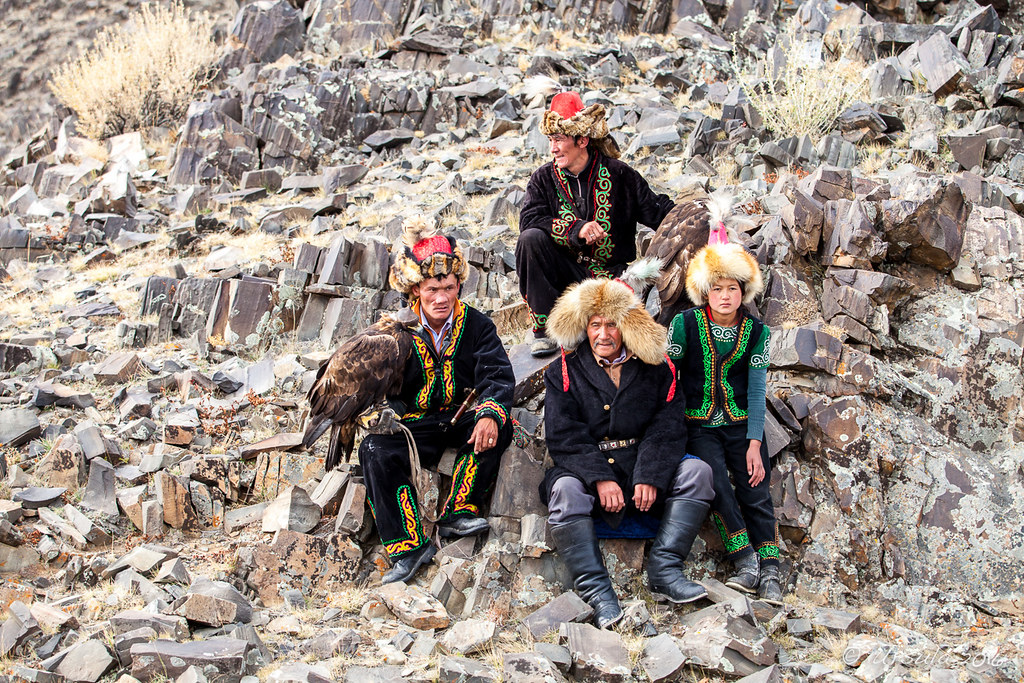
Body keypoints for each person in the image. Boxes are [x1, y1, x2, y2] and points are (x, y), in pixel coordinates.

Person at [539, 264, 715, 628]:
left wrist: (649, 474)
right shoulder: (563, 371)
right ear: (585, 327)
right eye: (595, 325)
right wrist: (601, 479)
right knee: (565, 492)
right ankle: (597, 592)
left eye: (612, 324)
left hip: (640, 459)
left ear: (627, 325)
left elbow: (667, 426)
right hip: (586, 467)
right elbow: (564, 436)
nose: (604, 334)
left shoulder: (657, 368)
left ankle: (665, 570)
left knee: (697, 473)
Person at [360, 217, 515, 584]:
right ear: (416, 291)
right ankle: (409, 547)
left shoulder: (478, 325)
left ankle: (458, 511)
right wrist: (379, 417)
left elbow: (497, 375)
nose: (441, 297)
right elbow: (374, 390)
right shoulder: (396, 332)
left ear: (459, 283)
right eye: (432, 289)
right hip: (413, 424)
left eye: (448, 286)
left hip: (461, 417)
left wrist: (490, 414)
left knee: (500, 426)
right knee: (373, 451)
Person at [667, 233, 782, 605]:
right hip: (697, 423)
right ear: (705, 292)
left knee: (756, 486)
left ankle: (771, 568)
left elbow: (755, 389)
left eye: (733, 288)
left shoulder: (757, 333)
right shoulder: (684, 324)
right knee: (717, 483)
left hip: (741, 423)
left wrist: (754, 442)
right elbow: (668, 374)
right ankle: (744, 559)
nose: (726, 296)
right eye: (717, 289)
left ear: (743, 290)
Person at [516, 91, 676, 357]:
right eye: (550, 140)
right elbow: (529, 220)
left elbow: (658, 211)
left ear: (582, 139)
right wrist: (575, 228)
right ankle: (546, 331)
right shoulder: (542, 179)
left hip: (609, 278)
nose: (553, 148)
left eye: (559, 139)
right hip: (562, 277)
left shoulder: (619, 174)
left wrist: (695, 216)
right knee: (530, 239)